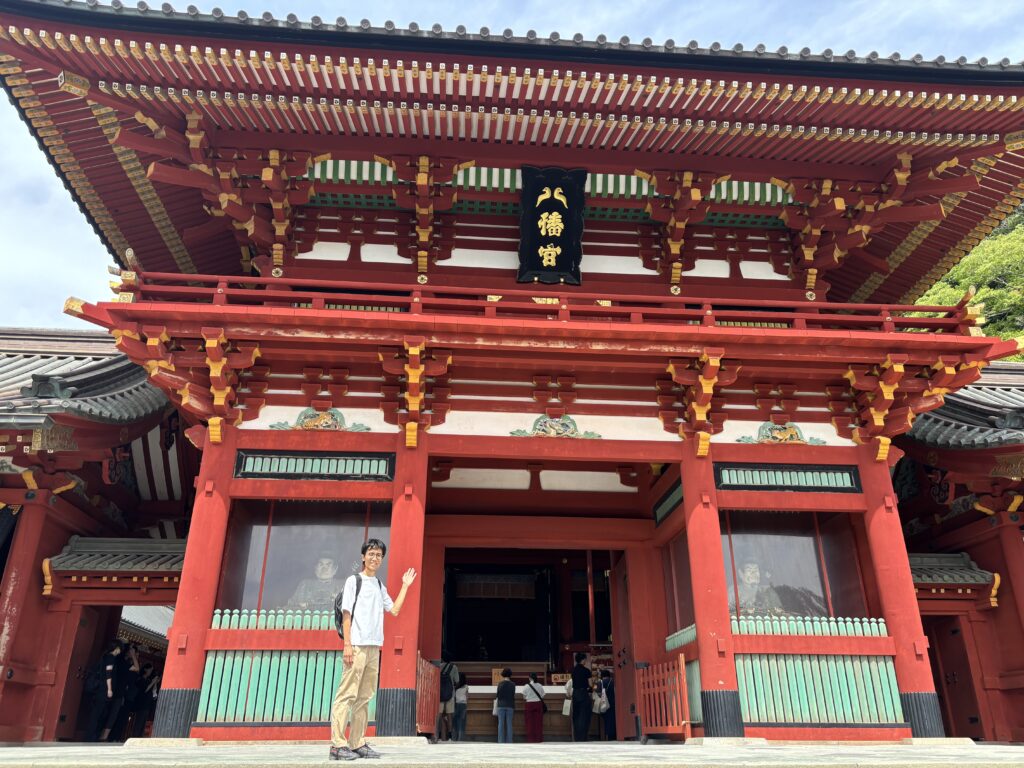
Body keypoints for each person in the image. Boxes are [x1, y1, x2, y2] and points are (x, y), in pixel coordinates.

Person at [329, 538, 415, 761]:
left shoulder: (378, 585)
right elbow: (346, 613)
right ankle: (337, 745)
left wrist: (405, 585)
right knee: (347, 694)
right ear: (363, 556)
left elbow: (394, 610)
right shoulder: (353, 581)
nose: (375, 558)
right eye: (371, 554)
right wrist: (347, 644)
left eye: (379, 555)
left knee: (365, 696)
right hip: (356, 645)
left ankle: (357, 742)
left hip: (374, 647)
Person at [82, 640, 124, 742]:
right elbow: (108, 674)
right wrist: (109, 689)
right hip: (104, 690)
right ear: (116, 648)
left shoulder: (105, 657)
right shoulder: (111, 658)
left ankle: (91, 736)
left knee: (97, 713)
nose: (120, 651)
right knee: (98, 713)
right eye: (120, 648)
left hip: (100, 689)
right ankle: (91, 737)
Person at [432, 656, 460, 742]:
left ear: (442, 659)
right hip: (450, 694)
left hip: (440, 694)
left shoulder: (438, 666)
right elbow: (457, 681)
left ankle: (437, 735)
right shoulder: (454, 667)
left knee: (439, 715)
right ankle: (450, 737)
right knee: (449, 715)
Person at [569, 652, 593, 742]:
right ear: (583, 660)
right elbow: (590, 684)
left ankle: (577, 737)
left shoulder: (573, 670)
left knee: (576, 715)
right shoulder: (586, 671)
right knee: (584, 715)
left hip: (575, 693)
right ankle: (583, 737)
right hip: (583, 693)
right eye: (585, 659)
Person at [520, 671, 546, 743]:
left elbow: (524, 697)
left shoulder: (526, 686)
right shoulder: (540, 685)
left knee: (529, 723)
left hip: (529, 704)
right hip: (538, 704)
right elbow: (542, 696)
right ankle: (538, 739)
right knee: (538, 722)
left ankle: (531, 739)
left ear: (529, 678)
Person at [495, 667, 515, 743]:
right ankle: (509, 741)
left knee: (501, 724)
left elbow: (498, 695)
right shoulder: (513, 684)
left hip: (501, 705)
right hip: (510, 705)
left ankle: (500, 741)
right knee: (509, 724)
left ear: (503, 674)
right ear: (510, 674)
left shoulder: (500, 684)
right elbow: (512, 695)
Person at [452, 672, 469, 742]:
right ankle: (460, 738)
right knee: (462, 722)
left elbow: (454, 697)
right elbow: (467, 697)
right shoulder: (466, 687)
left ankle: (454, 738)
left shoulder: (455, 687)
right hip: (463, 705)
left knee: (455, 722)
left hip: (456, 704)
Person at [599, 669, 616, 740]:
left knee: (606, 720)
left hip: (605, 703)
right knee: (613, 719)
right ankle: (614, 735)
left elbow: (598, 692)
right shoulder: (613, 682)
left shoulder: (601, 682)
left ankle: (608, 735)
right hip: (613, 702)